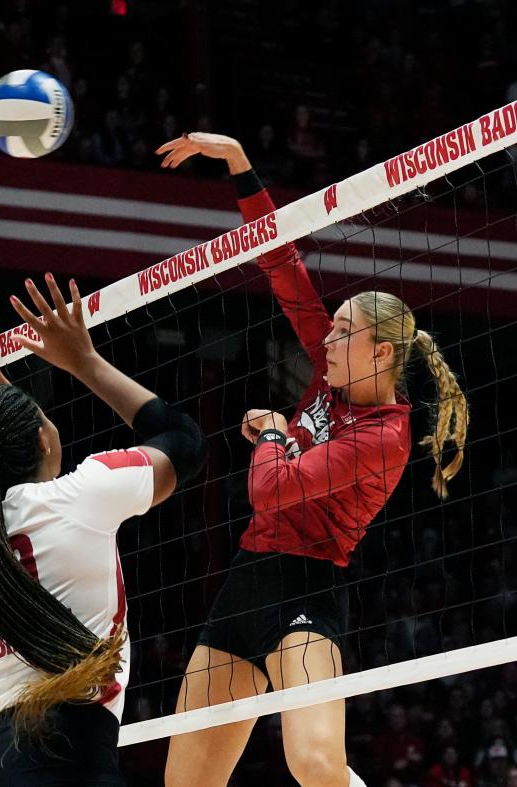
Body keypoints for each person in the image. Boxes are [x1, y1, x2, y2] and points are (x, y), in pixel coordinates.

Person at [156, 132, 468, 787]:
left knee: (317, 763)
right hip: (246, 580)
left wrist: (274, 431)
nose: (327, 337)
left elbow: (273, 491)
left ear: (381, 354)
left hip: (306, 588)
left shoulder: (387, 435)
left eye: (345, 331)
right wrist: (240, 164)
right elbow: (281, 264)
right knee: (185, 783)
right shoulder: (332, 375)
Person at [0, 274, 207, 785]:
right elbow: (184, 443)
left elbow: (14, 495)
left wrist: (3, 415)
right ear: (42, 438)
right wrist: (84, 360)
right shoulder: (85, 494)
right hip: (64, 757)